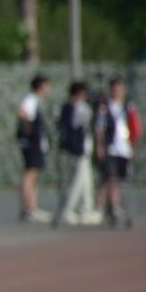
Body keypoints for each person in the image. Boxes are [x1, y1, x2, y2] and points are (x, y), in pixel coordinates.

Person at [56, 81, 103, 225]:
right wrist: (97, 107)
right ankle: (68, 210)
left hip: (81, 149)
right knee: (77, 181)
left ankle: (86, 210)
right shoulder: (78, 107)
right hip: (78, 149)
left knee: (86, 182)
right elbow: (85, 119)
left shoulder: (67, 107)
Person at [94, 77, 136, 226]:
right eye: (115, 89)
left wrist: (132, 146)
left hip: (124, 149)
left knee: (118, 179)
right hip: (110, 148)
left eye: (119, 89)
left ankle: (114, 206)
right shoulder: (105, 107)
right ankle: (108, 207)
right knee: (110, 178)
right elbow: (99, 128)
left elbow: (134, 127)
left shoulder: (128, 107)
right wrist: (99, 146)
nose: (117, 92)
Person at [17, 74, 53, 222]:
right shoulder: (31, 99)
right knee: (30, 173)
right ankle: (28, 208)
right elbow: (22, 112)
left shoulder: (36, 101)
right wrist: (29, 130)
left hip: (35, 143)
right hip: (31, 143)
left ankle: (32, 206)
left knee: (34, 174)